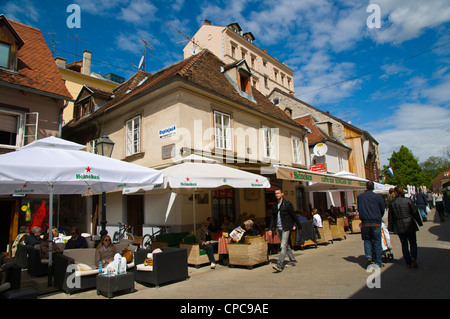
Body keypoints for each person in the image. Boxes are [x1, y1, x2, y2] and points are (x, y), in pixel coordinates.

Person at [388, 186, 423, 268]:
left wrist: (390, 227)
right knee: (413, 242)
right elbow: (415, 212)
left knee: (404, 244)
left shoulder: (392, 203)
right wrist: (419, 222)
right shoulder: (408, 201)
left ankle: (408, 262)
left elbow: (391, 217)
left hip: (399, 225)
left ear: (395, 193)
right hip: (410, 224)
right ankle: (413, 257)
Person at [357, 181, 385, 268]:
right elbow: (382, 209)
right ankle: (378, 262)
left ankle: (368, 257)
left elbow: (359, 208)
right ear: (373, 187)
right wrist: (379, 216)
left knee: (367, 240)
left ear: (366, 187)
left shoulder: (360, 197)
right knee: (377, 241)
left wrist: (362, 217)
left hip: (365, 222)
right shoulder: (378, 197)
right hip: (376, 221)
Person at [269, 188, 297, 272]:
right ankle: (292, 259)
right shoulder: (274, 205)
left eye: (278, 193)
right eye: (275, 193)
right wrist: (270, 228)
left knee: (282, 246)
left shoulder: (287, 204)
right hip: (278, 228)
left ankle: (280, 264)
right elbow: (273, 217)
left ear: (282, 194)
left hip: (286, 227)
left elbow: (293, 215)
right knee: (285, 244)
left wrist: (295, 224)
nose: (276, 195)